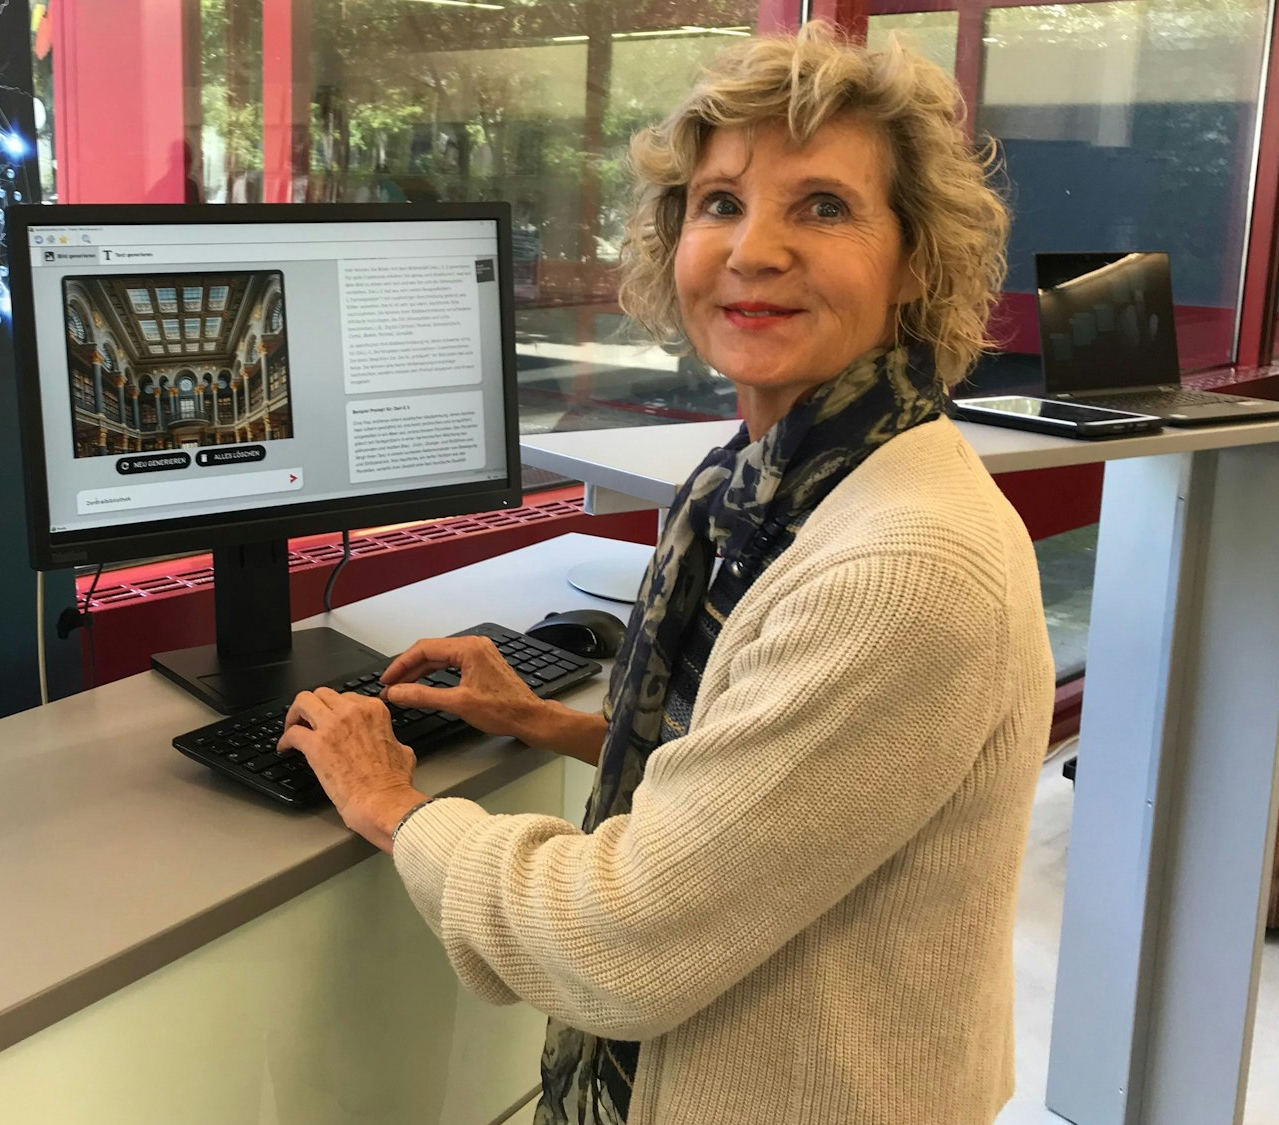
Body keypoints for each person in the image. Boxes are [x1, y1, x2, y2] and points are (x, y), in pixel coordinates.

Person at [277, 23, 1053, 1125]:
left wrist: (394, 806)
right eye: (720, 202)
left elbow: (620, 945)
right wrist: (560, 727)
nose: (754, 248)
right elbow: (780, 790)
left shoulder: (897, 569)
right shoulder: (766, 484)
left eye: (822, 206)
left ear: (915, 261)